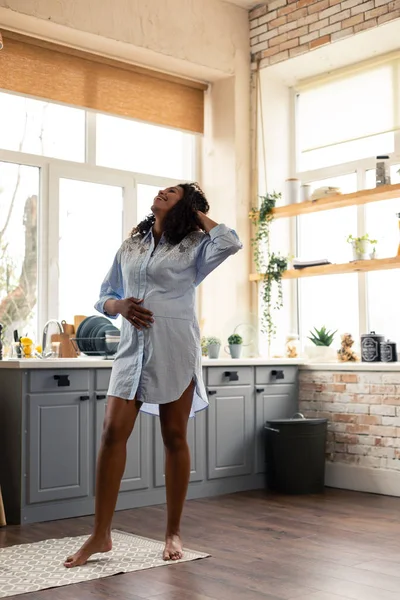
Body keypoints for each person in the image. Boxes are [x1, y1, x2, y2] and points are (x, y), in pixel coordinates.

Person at [64, 182, 242, 568]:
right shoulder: (132, 245)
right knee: (112, 434)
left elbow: (230, 242)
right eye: (160, 189)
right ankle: (101, 535)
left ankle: (173, 532)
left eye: (172, 192)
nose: (162, 192)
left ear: (186, 205)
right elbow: (103, 295)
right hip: (130, 350)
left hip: (175, 347)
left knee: (174, 437)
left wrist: (191, 211)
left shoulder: (195, 244)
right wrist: (121, 305)